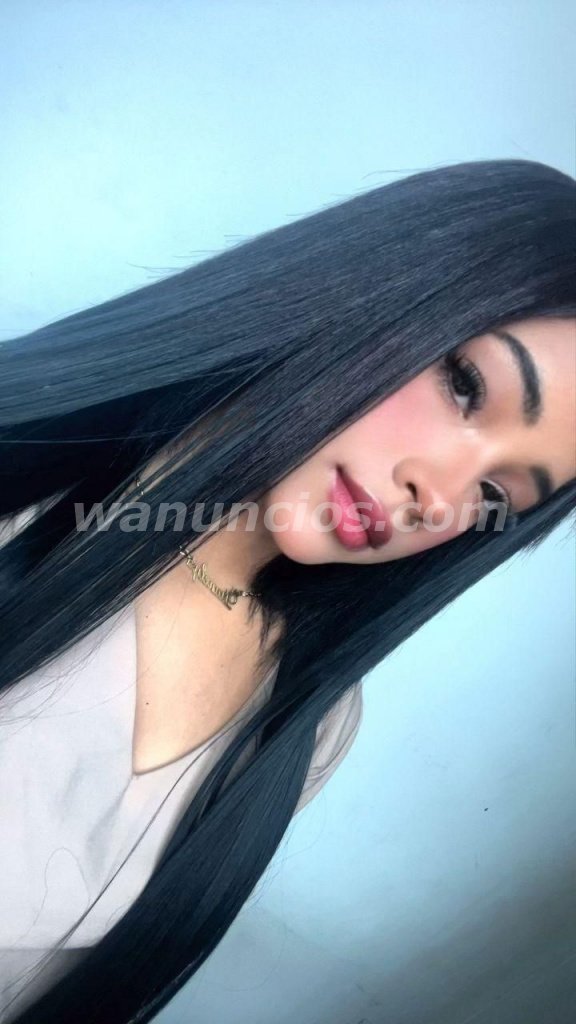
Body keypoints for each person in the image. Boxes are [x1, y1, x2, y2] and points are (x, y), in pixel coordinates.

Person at [0, 158, 574, 1024]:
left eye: (497, 493)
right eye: (466, 386)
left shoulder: (311, 723)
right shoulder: (30, 498)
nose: (442, 496)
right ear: (375, 290)